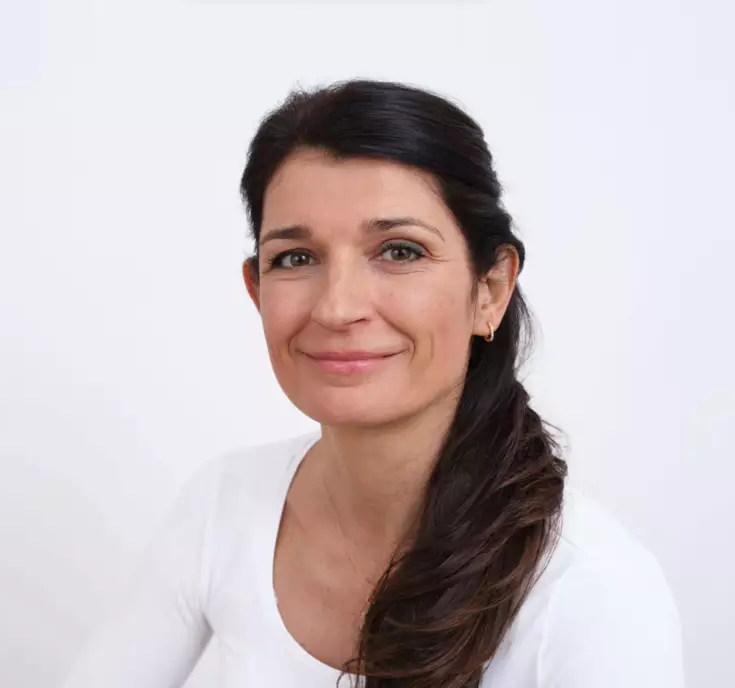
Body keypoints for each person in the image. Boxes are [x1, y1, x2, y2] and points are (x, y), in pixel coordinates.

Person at [59, 79, 683, 688]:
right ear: (256, 289)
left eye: (400, 251)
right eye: (295, 258)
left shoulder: (594, 596)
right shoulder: (225, 505)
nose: (337, 307)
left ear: (490, 289)